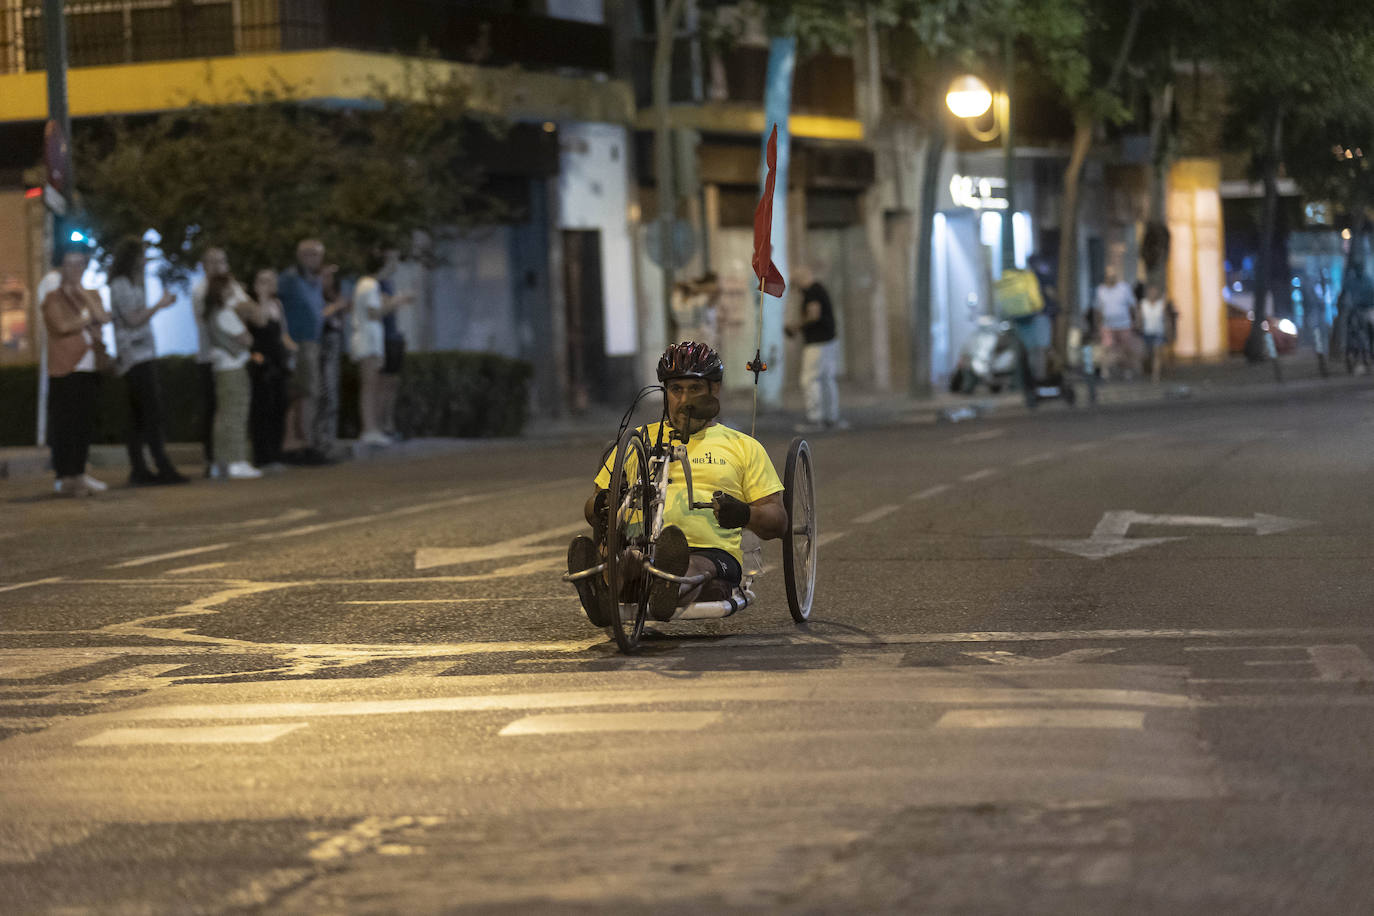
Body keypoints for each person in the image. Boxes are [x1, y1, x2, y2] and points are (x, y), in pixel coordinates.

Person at [566, 341, 789, 626]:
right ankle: (612, 585)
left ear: (714, 390)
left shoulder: (744, 447)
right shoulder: (639, 441)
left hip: (710, 553)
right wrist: (603, 503)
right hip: (642, 542)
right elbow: (593, 507)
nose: (684, 400)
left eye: (694, 390)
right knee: (630, 559)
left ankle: (658, 583)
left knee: (693, 565)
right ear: (665, 393)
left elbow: (778, 520)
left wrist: (745, 513)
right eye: (676, 390)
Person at [107, 237, 187, 486]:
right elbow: (133, 319)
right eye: (141, 255)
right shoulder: (121, 285)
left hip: (142, 354)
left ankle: (141, 469)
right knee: (150, 414)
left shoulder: (133, 283)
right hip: (135, 357)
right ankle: (159, 466)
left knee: (139, 416)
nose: (145, 261)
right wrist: (159, 306)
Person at [40, 244, 111, 497]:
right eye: (70, 264)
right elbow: (60, 325)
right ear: (62, 267)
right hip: (64, 368)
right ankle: (65, 476)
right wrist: (85, 320)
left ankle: (79, 473)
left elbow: (103, 317)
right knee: (65, 425)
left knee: (83, 424)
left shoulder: (91, 293)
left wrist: (84, 295)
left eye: (80, 264)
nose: (76, 269)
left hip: (89, 367)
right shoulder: (53, 298)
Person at [278, 239, 336, 464]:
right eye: (310, 254)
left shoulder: (314, 281)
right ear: (300, 255)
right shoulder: (291, 279)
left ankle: (307, 442)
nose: (315, 259)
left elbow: (319, 310)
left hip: (314, 342)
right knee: (303, 393)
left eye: (318, 254)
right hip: (299, 344)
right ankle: (300, 444)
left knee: (310, 394)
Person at [351, 249, 414, 446]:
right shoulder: (369, 284)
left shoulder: (370, 284)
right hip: (367, 340)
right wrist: (398, 300)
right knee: (370, 385)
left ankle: (374, 428)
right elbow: (374, 312)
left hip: (372, 339)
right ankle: (369, 429)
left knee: (375, 384)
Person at [203, 274, 262, 480]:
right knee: (236, 414)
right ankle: (236, 461)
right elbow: (246, 339)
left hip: (221, 369)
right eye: (230, 287)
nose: (234, 290)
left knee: (223, 416)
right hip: (233, 369)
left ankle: (221, 463)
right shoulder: (225, 313)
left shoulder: (212, 313)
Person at [191, 248, 239, 475]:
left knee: (229, 408)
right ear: (204, 265)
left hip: (230, 358)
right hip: (210, 358)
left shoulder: (232, 288)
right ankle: (212, 459)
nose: (218, 266)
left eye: (222, 261)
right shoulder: (201, 291)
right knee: (212, 409)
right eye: (212, 262)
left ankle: (230, 456)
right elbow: (209, 322)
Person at [246, 268, 296, 470]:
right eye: (264, 281)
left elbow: (282, 332)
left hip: (278, 362)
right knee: (263, 408)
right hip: (261, 363)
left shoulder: (278, 304)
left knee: (279, 405)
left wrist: (292, 349)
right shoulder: (253, 305)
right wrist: (263, 297)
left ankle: (276, 453)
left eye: (271, 281)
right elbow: (261, 321)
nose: (269, 285)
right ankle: (263, 456)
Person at [785, 264, 845, 430]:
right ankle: (831, 418)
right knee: (827, 379)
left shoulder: (812, 291)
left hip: (817, 342)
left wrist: (796, 327)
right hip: (829, 340)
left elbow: (814, 314)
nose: (796, 290)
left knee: (810, 379)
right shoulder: (819, 289)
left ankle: (815, 418)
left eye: (795, 284)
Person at [1092, 266, 1137, 379]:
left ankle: (1127, 370)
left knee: (1126, 348)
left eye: (1113, 277)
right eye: (1108, 277)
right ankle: (1105, 371)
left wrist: (1135, 321)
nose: (1111, 279)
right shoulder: (1101, 290)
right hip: (1107, 325)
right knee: (1106, 349)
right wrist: (1098, 325)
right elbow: (1098, 309)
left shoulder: (1124, 288)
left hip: (1124, 324)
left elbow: (1132, 306)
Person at [1137, 282, 1169, 382]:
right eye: (1151, 291)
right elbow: (1140, 318)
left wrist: (1168, 330)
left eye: (1155, 291)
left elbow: (1166, 318)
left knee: (1157, 353)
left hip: (1158, 332)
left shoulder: (1161, 304)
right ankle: (1147, 370)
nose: (1153, 293)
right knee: (1147, 354)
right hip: (1147, 332)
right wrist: (1139, 327)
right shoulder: (1143, 304)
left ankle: (1156, 375)